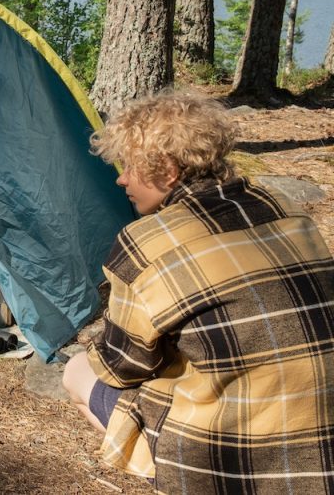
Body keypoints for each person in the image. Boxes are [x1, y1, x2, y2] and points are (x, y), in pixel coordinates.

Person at [62, 91, 334, 492]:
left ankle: (174, 478)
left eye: (131, 167)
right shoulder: (284, 203)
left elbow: (121, 368)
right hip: (321, 438)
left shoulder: (147, 242)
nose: (121, 179)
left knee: (76, 372)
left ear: (168, 170)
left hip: (231, 455)